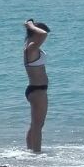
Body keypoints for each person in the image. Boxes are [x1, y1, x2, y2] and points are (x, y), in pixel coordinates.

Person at [23, 19, 50, 153]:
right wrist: (31, 25)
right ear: (34, 33)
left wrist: (31, 27)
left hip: (36, 89)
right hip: (37, 90)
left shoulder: (31, 46)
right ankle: (37, 153)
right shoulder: (31, 48)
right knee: (38, 125)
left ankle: (30, 152)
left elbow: (44, 33)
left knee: (35, 124)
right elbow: (44, 33)